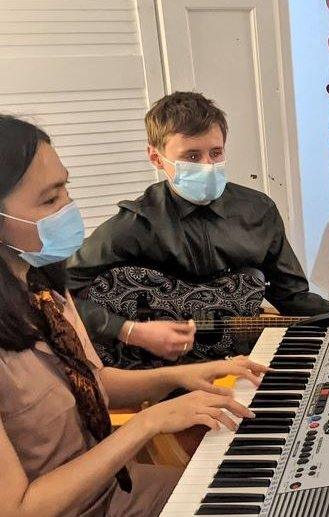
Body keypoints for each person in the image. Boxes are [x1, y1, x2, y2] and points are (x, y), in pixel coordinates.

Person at [0, 115, 266, 516]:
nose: (69, 208)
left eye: (65, 188)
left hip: (116, 489)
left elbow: (96, 382)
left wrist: (181, 374)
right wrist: (148, 422)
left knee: (258, 491)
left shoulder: (44, 290)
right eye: (50, 200)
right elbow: (18, 508)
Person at [67, 92, 329, 365]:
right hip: (158, 370)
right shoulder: (133, 225)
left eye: (216, 153)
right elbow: (56, 291)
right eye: (192, 156)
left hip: (242, 358)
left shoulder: (259, 210)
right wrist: (129, 331)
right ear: (156, 157)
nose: (207, 166)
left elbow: (291, 296)